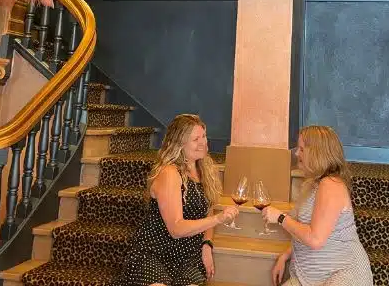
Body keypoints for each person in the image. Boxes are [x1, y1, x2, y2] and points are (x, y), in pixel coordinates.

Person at [113, 114, 239, 286]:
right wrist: (218, 219)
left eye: (203, 136)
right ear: (180, 144)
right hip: (155, 253)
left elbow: (207, 209)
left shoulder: (205, 168)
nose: (203, 142)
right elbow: (176, 229)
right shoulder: (170, 173)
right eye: (196, 139)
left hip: (187, 256)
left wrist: (207, 244)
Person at [263, 125, 373, 286]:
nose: (296, 153)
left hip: (342, 274)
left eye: (301, 149)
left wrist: (280, 217)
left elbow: (315, 238)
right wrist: (286, 254)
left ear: (316, 153)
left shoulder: (331, 185)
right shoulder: (314, 183)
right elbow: (310, 227)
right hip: (312, 274)